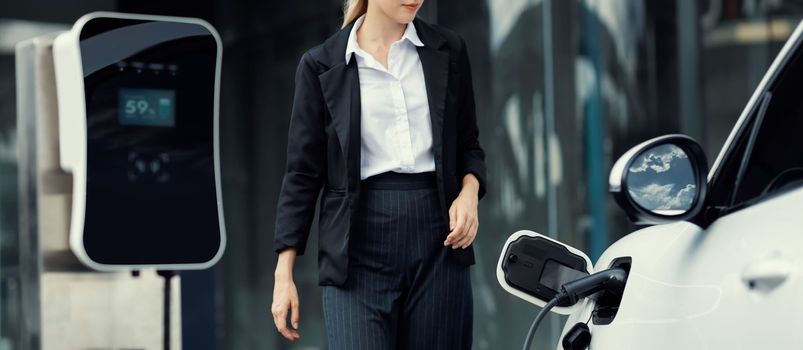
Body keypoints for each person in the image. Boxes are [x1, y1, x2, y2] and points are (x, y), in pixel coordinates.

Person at [271, 0, 487, 348]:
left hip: (440, 240)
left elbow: (469, 146)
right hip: (356, 247)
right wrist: (284, 274)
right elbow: (302, 174)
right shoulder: (321, 65)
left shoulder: (448, 50)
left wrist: (468, 193)